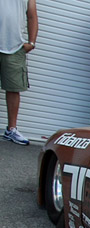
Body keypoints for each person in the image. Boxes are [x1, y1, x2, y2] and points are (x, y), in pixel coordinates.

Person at [0, 0, 38, 145]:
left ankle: (11, 130)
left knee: (13, 89)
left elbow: (32, 16)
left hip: (15, 47)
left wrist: (32, 42)